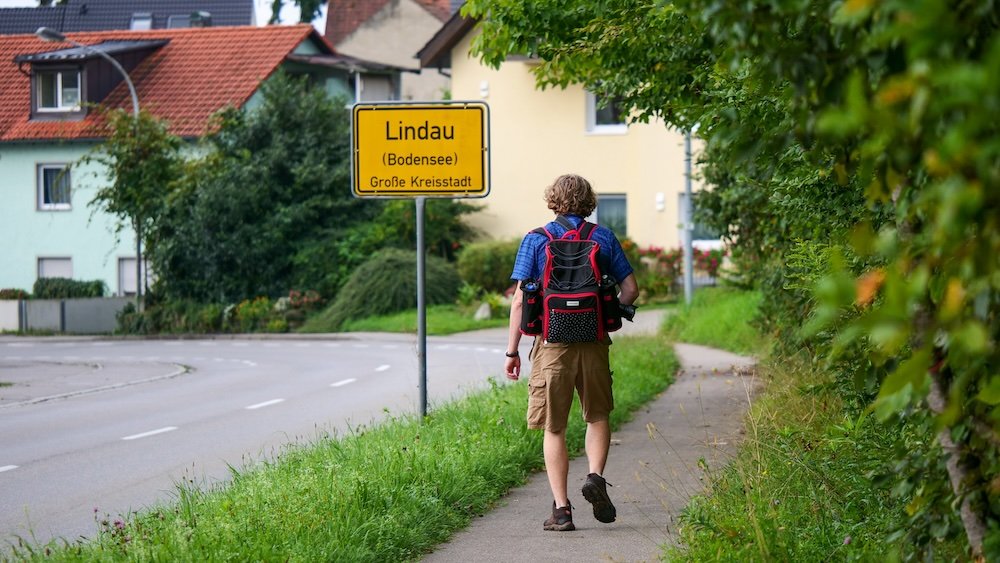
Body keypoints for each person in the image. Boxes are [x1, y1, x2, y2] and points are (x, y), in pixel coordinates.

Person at [504, 173, 639, 532]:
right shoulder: (603, 237)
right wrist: (612, 316)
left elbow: (519, 300)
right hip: (593, 341)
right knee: (597, 416)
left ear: (553, 201)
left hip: (551, 344)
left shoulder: (536, 239)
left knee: (555, 427)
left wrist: (512, 351)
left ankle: (562, 510)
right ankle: (595, 477)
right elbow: (631, 288)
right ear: (589, 202)